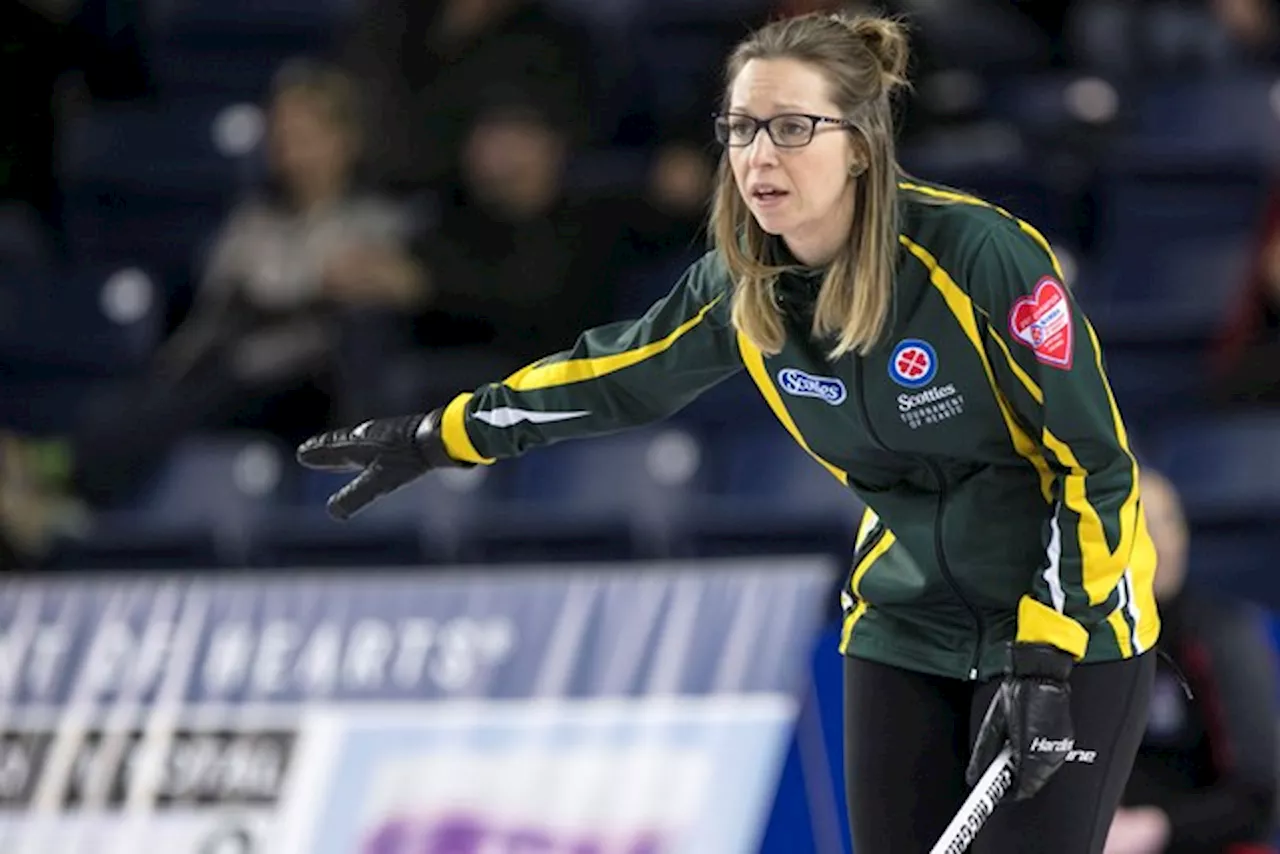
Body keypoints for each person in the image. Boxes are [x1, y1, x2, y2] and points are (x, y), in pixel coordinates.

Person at [297, 11, 1160, 853]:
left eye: (790, 127)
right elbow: (614, 378)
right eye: (742, 129)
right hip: (907, 626)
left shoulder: (977, 255)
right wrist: (441, 435)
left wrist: (1047, 652)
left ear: (859, 143)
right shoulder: (740, 283)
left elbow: (1091, 464)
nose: (759, 156)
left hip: (1067, 623)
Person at [1103, 469, 1278, 854]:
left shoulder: (1223, 635)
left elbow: (1258, 797)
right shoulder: (1089, 645)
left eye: (1169, 522)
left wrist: (1155, 828)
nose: (1161, 542)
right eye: (1140, 525)